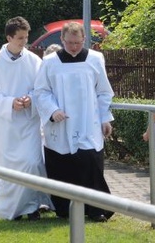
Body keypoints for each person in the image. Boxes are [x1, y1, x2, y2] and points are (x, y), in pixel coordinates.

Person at [34, 21, 115, 221]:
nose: (73, 47)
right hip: (61, 125)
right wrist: (53, 110)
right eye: (69, 43)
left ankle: (97, 210)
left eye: (77, 43)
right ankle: (65, 209)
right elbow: (41, 92)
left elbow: (104, 92)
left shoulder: (96, 59)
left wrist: (105, 118)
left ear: (84, 39)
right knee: (63, 166)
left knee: (90, 165)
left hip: (89, 122)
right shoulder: (50, 61)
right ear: (62, 40)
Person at [0, 16, 52, 220]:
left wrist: (30, 99)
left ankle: (32, 206)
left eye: (26, 37)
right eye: (20, 38)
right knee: (11, 168)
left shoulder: (34, 61)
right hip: (8, 126)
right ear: (9, 37)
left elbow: (42, 88)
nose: (24, 42)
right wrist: (10, 103)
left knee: (32, 163)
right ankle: (13, 209)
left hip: (29, 122)